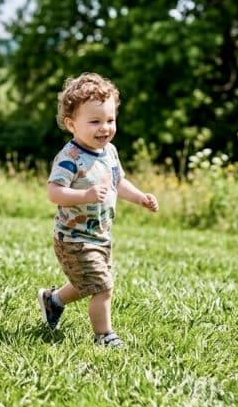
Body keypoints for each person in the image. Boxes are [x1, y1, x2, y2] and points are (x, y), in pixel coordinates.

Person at [37, 73, 159, 348]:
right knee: (102, 286)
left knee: (86, 284)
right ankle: (104, 336)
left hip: (100, 236)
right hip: (74, 238)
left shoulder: (109, 151)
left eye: (110, 120)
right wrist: (86, 195)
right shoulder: (70, 158)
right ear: (71, 124)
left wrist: (140, 198)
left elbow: (119, 181)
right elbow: (54, 192)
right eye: (94, 122)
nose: (104, 128)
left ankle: (52, 300)